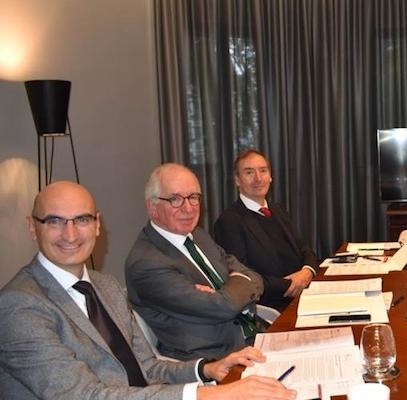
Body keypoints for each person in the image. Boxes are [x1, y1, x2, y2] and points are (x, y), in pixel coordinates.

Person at [0, 181, 296, 400]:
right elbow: (82, 395)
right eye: (54, 221)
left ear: (97, 225)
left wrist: (208, 369)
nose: (70, 234)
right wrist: (210, 395)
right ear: (32, 227)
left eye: (82, 219)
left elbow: (146, 367)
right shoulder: (19, 305)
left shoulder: (106, 286)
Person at [126, 163, 267, 361]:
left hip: (254, 337)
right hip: (215, 361)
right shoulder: (146, 263)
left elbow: (253, 277)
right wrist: (233, 289)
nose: (188, 208)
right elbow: (222, 307)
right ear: (152, 208)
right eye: (175, 199)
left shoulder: (198, 235)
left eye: (193, 197)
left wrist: (226, 293)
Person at [214, 149, 319, 311]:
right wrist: (292, 285)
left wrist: (308, 271)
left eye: (263, 171)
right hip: (273, 306)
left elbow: (304, 248)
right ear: (237, 180)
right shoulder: (229, 221)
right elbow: (243, 276)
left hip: (304, 295)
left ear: (270, 176)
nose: (258, 178)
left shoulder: (277, 209)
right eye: (249, 172)